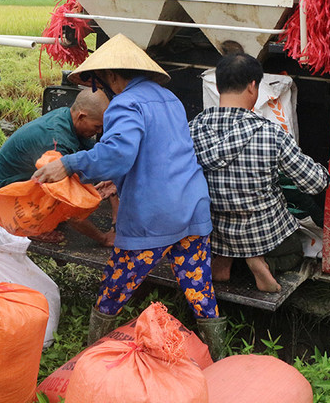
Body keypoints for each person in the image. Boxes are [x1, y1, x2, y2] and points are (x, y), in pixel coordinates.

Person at [32, 34, 225, 358]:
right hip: (191, 204)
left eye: (97, 82)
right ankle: (220, 356)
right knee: (199, 288)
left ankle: (89, 354)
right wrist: (118, 183)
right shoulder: (169, 98)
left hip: (155, 213)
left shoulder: (125, 103)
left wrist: (68, 163)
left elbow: (119, 153)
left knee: (116, 285)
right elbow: (157, 153)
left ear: (109, 76)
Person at [190, 53, 330, 293]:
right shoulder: (270, 134)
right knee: (295, 250)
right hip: (262, 235)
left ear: (220, 86)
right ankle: (259, 262)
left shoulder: (191, 130)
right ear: (253, 86)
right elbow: (315, 183)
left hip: (213, 232)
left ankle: (223, 261)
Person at [0, 88, 116, 246]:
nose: (99, 131)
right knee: (66, 196)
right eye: (97, 127)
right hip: (3, 198)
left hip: (23, 180)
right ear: (81, 116)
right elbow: (66, 204)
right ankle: (30, 229)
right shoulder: (55, 141)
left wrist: (117, 218)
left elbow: (100, 162)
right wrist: (103, 238)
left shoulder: (68, 117)